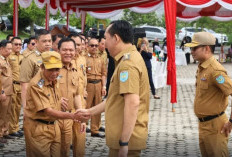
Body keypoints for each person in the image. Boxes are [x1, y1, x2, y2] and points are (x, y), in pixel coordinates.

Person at [78, 20, 150, 157]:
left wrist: (124, 143)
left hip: (126, 139)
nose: (104, 43)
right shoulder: (127, 59)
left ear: (116, 38)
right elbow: (115, 98)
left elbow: (132, 103)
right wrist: (89, 112)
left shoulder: (128, 64)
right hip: (124, 137)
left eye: (106, 38)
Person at [23, 51, 87, 157]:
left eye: (57, 69)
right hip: (39, 129)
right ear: (42, 67)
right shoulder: (36, 85)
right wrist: (73, 116)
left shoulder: (53, 79)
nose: (54, 73)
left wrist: (58, 101)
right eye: (50, 69)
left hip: (54, 126)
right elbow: (48, 111)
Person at [185, 32, 232, 157]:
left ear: (206, 48)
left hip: (215, 126)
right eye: (191, 48)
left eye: (194, 48)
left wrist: (231, 121)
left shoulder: (215, 71)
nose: (192, 51)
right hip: (204, 125)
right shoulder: (203, 67)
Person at [56, 38, 84, 157]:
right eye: (65, 50)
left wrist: (81, 116)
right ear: (58, 50)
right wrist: (56, 100)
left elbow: (77, 94)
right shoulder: (50, 68)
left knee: (65, 150)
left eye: (71, 50)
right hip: (53, 117)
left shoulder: (75, 69)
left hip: (68, 117)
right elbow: (38, 90)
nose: (68, 53)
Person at [20, 29, 52, 108]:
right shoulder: (29, 58)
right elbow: (24, 84)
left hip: (50, 99)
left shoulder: (52, 57)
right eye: (44, 41)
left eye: (49, 41)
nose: (48, 44)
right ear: (36, 42)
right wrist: (26, 108)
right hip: (36, 100)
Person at [69, 34, 87, 157]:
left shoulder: (82, 59)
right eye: (75, 45)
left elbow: (83, 77)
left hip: (81, 100)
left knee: (81, 134)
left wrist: (84, 89)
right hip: (68, 102)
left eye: (80, 44)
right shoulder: (64, 59)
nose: (78, 47)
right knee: (65, 139)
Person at [85, 38, 107, 138]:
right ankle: (83, 128)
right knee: (86, 107)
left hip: (98, 84)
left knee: (97, 107)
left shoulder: (101, 59)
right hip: (88, 84)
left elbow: (103, 74)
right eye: (92, 45)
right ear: (87, 46)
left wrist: (104, 86)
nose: (94, 47)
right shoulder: (84, 58)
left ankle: (95, 130)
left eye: (96, 46)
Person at [8, 37, 24, 138]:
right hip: (12, 85)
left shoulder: (23, 56)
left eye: (20, 44)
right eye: (16, 44)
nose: (18, 46)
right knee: (12, 108)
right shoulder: (9, 56)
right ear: (12, 45)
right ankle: (11, 129)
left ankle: (16, 127)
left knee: (18, 108)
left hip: (21, 85)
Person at [0, 40, 13, 145]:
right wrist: (2, 91)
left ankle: (4, 131)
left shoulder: (6, 59)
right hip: (3, 91)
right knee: (1, 114)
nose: (10, 51)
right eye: (8, 49)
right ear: (1, 49)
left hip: (9, 91)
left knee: (7, 113)